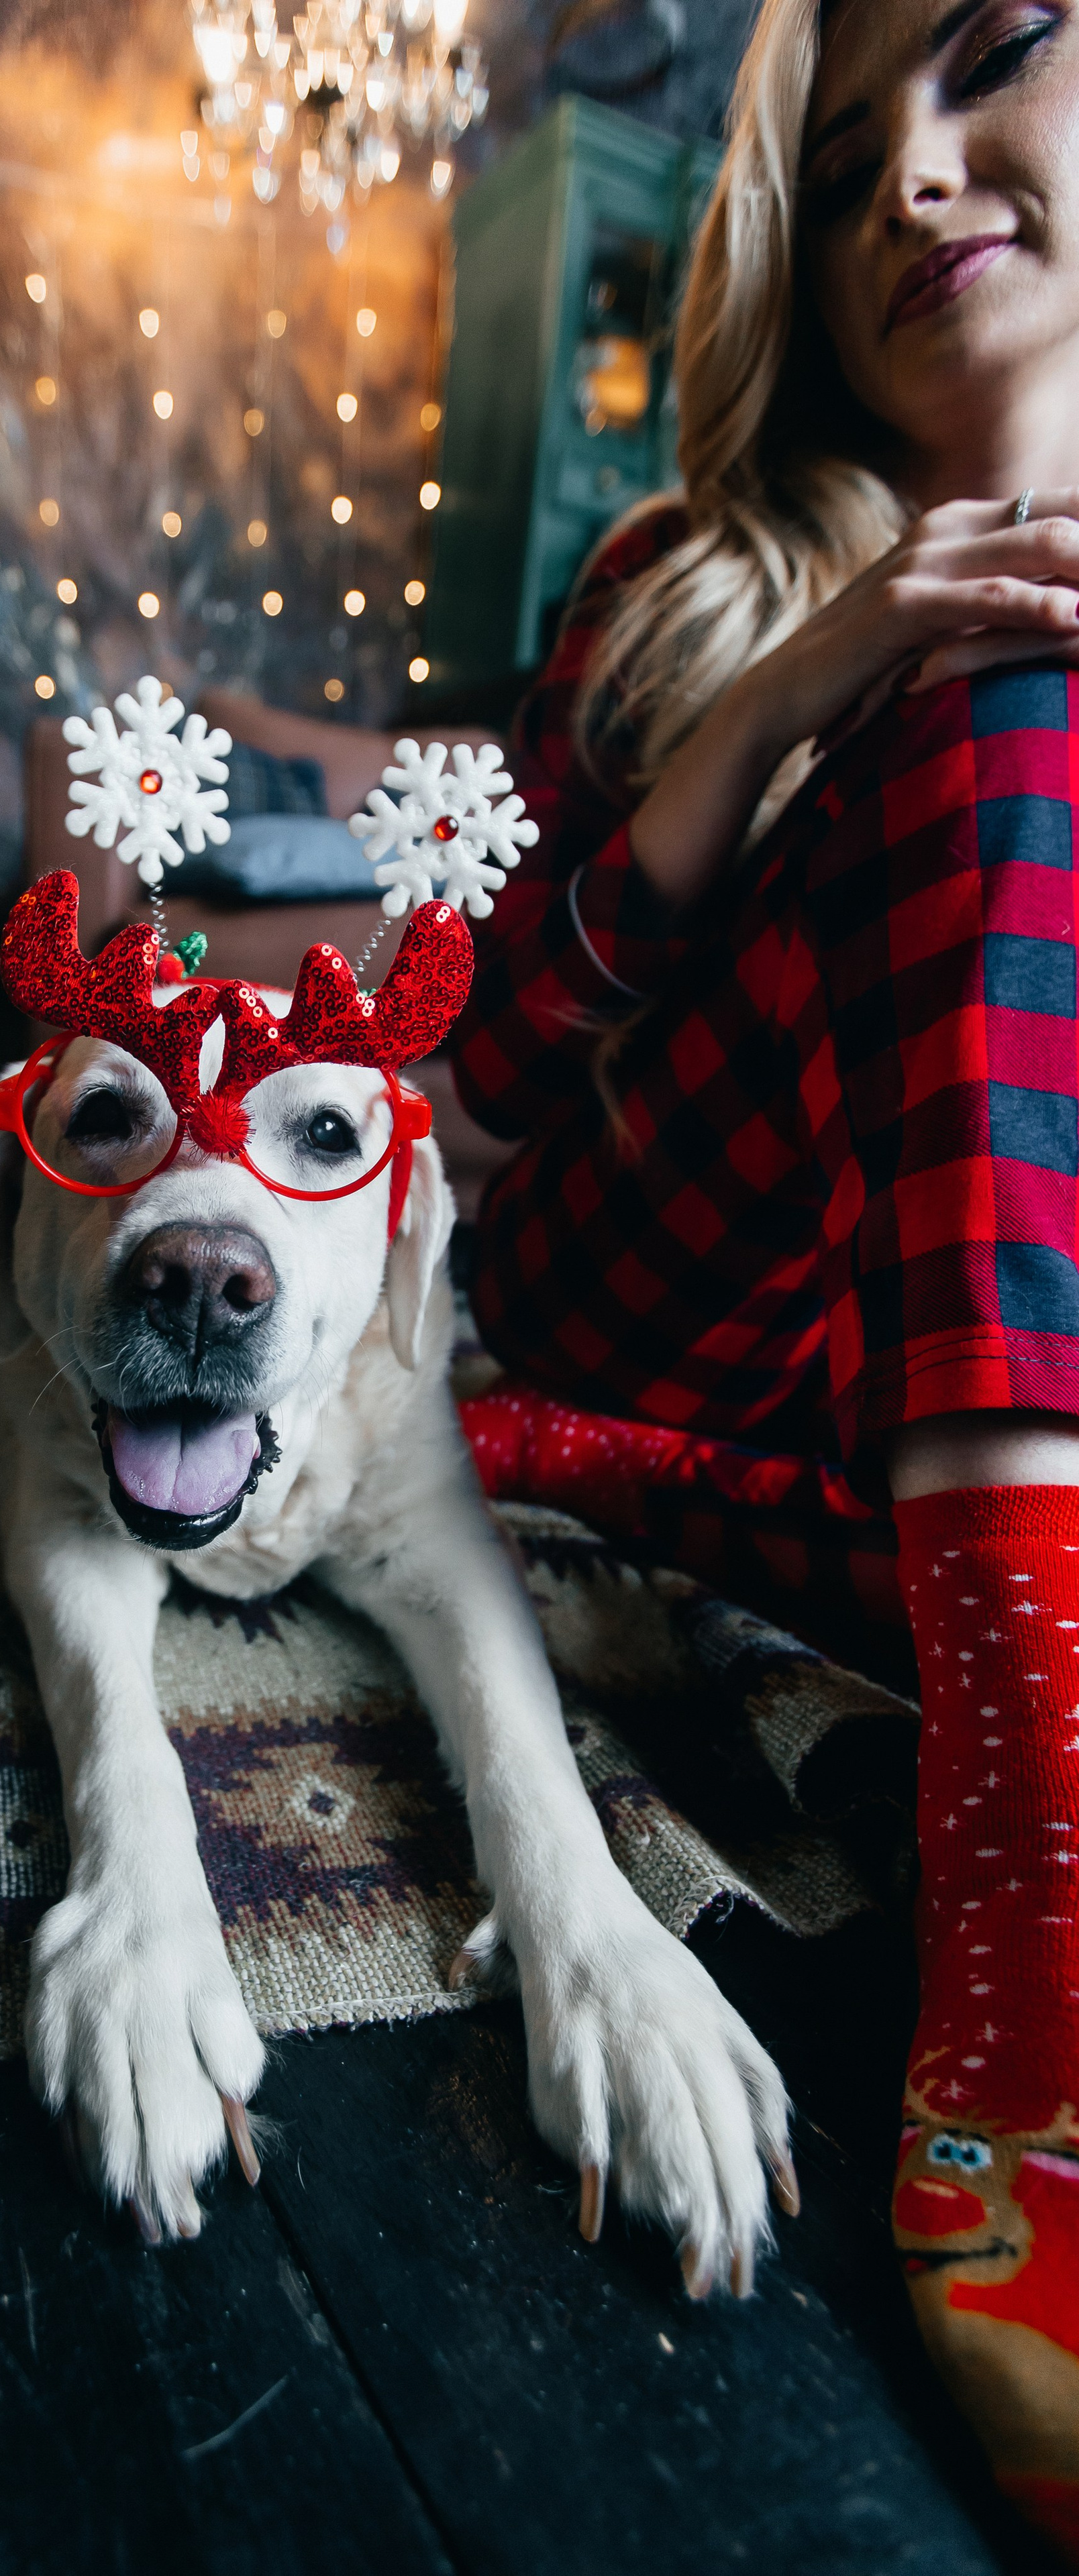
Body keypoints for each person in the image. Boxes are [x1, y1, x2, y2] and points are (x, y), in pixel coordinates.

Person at [452, 0, 1079, 2550]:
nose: (912, 184)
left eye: (999, 61)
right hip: (661, 1288)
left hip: (898, 1438)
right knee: (1003, 714)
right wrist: (811, 685)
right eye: (840, 174)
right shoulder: (687, 578)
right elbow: (463, 1107)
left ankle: (1000, 1673)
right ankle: (1036, 1978)